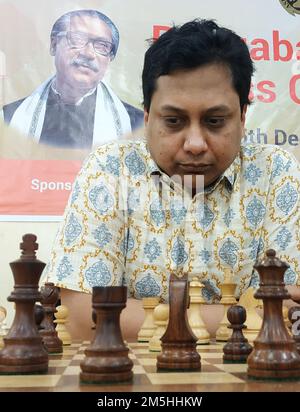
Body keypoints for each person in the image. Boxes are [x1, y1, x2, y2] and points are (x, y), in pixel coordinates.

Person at [45, 19, 300, 335]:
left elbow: (289, 311)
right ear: (148, 116)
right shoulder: (110, 170)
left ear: (243, 116)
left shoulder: (277, 175)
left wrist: (138, 318)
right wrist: (245, 311)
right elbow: (81, 316)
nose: (195, 144)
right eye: (174, 120)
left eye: (215, 121)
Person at [1, 9, 143, 149]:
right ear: (53, 44)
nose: (88, 53)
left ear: (110, 58)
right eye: (77, 39)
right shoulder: (9, 117)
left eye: (102, 46)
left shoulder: (135, 123)